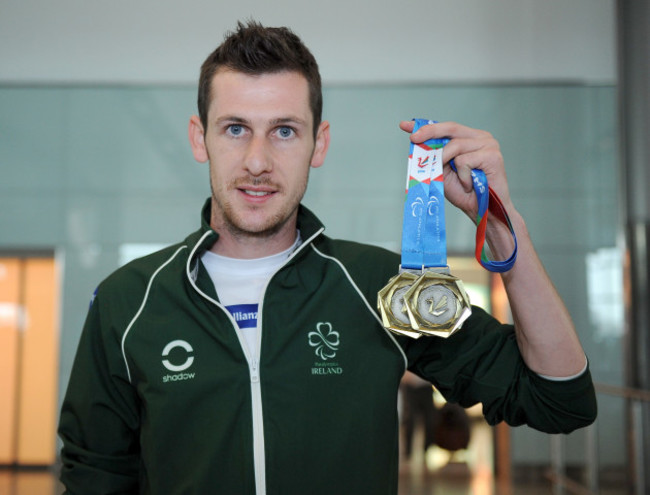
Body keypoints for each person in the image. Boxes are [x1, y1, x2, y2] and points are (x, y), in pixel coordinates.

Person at [57, 20, 597, 495]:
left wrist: (501, 225)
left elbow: (558, 400)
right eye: (236, 128)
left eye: (284, 131)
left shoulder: (380, 288)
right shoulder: (128, 302)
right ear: (200, 137)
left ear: (319, 143)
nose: (257, 161)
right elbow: (94, 477)